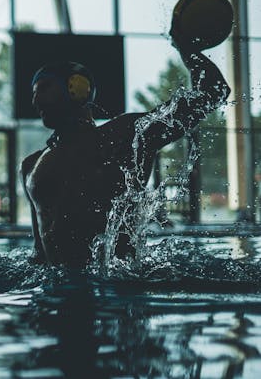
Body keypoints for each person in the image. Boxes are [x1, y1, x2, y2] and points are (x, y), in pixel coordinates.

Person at [21, 28, 230, 268]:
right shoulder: (30, 166)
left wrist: (188, 51)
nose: (36, 100)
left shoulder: (125, 135)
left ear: (76, 87)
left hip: (119, 288)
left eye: (44, 88)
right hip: (56, 294)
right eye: (34, 93)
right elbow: (38, 255)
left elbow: (212, 92)